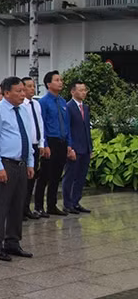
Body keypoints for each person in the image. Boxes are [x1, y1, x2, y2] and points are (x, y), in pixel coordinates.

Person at [0, 77, 34, 262]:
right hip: (5, 164)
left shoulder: (23, 110)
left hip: (21, 163)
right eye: (19, 91)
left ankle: (13, 242)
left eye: (24, 91)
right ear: (6, 93)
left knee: (18, 205)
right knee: (2, 206)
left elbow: (27, 138)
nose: (23, 94)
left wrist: (30, 162)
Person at [36, 71, 72, 217]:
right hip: (50, 141)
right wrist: (44, 144)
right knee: (45, 175)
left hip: (62, 142)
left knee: (57, 175)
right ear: (48, 84)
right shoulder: (43, 102)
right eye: (57, 80)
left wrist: (69, 144)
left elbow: (67, 124)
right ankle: (39, 206)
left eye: (61, 80)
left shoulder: (63, 102)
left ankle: (52, 205)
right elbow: (41, 124)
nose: (60, 82)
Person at [63, 81, 92, 215]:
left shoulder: (85, 108)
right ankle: (67, 203)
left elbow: (87, 129)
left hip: (85, 147)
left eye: (85, 90)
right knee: (70, 176)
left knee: (81, 176)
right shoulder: (68, 107)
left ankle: (76, 201)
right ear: (73, 92)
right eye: (80, 90)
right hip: (74, 147)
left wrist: (90, 148)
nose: (83, 92)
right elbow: (67, 128)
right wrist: (70, 147)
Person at [22, 77, 47, 220]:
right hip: (26, 146)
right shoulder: (21, 105)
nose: (33, 89)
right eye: (29, 86)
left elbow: (40, 124)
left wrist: (42, 143)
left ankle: (27, 207)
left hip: (36, 144)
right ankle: (20, 209)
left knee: (32, 177)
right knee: (24, 178)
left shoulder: (36, 104)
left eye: (34, 86)